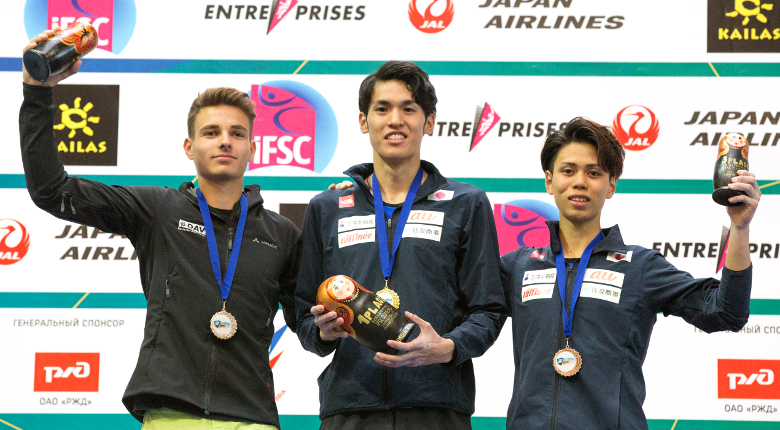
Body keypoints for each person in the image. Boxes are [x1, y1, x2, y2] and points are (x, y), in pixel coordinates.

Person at [19, 29, 301, 430]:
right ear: (189, 147)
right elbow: (51, 190)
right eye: (211, 133)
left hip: (251, 418)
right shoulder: (158, 209)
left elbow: (310, 327)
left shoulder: (283, 233)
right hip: (171, 414)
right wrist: (37, 93)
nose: (225, 142)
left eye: (237, 134)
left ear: (253, 148)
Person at [500, 117, 760, 429]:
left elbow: (726, 312)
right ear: (549, 180)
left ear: (611, 185)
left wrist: (739, 226)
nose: (579, 181)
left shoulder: (639, 267)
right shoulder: (517, 266)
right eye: (568, 171)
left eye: (594, 172)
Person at [294, 61, 506, 430]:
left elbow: (489, 309)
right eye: (382, 108)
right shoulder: (326, 208)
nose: (396, 119)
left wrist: (449, 348)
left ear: (429, 122)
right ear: (364, 122)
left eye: (409, 108)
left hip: (437, 407)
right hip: (350, 408)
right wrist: (322, 332)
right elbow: (302, 316)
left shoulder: (466, 203)